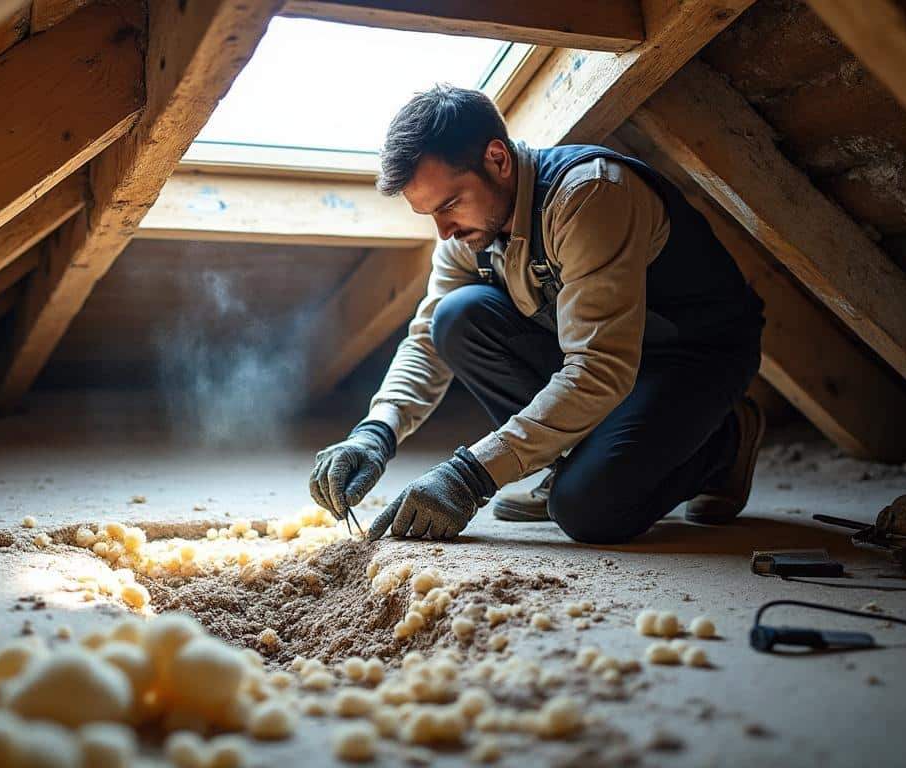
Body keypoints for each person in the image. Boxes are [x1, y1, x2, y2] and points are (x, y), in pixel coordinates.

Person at [308, 84, 766, 544]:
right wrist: (375, 433)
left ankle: (725, 441)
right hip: (604, 355)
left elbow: (599, 369)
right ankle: (574, 462)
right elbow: (428, 339)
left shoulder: (589, 196)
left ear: (497, 159)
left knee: (588, 510)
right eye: (429, 213)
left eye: (449, 204)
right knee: (456, 317)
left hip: (692, 355)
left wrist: (471, 476)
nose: (443, 231)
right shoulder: (467, 234)